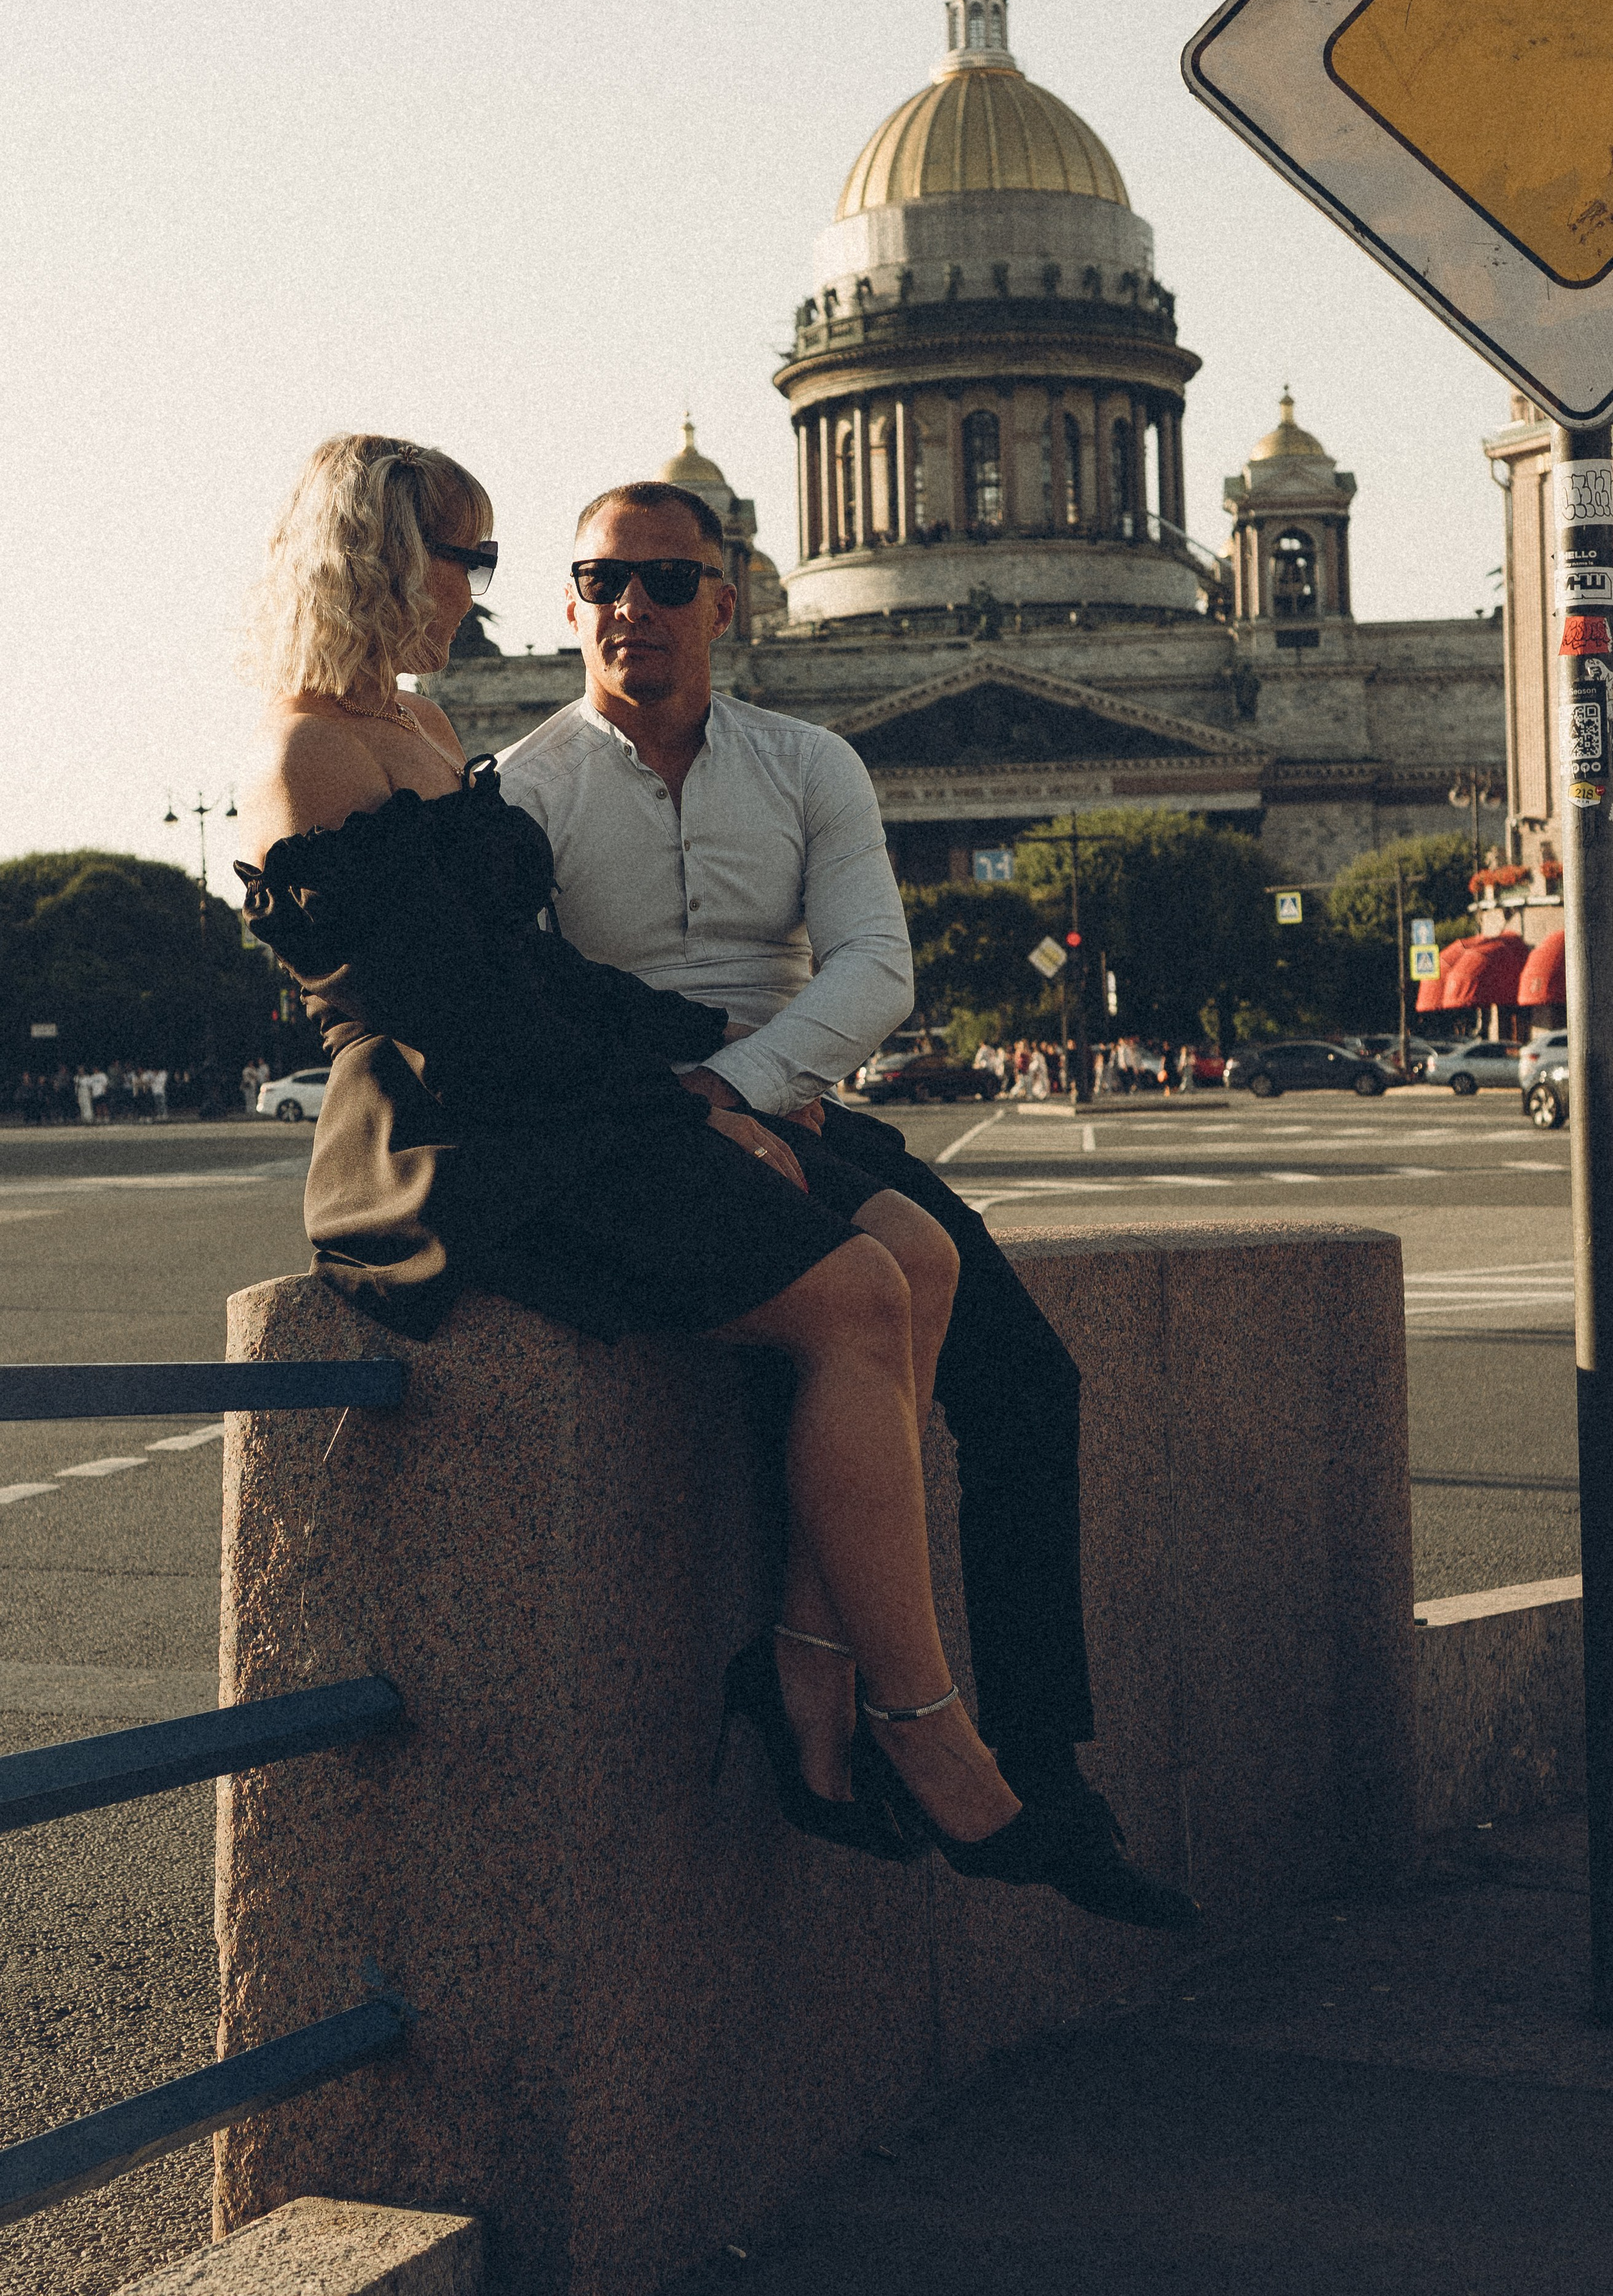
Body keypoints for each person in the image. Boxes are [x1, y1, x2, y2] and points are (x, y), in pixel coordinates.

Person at [235, 435, 1193, 1933]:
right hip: (465, 1142)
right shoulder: (353, 755)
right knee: (854, 1293)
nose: (487, 593)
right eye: (479, 561)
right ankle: (924, 1732)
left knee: (936, 1284)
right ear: (383, 559)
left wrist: (722, 1080)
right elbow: (463, 1015)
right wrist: (692, 1109)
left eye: (665, 581)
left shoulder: (433, 727)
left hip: (615, 1098)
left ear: (727, 597)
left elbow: (576, 980)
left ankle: (829, 1678)